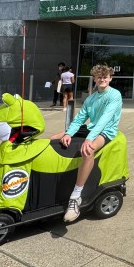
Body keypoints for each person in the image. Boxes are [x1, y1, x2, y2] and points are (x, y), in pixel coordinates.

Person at [50, 63, 122, 223]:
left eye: (105, 76)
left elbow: (105, 120)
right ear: (95, 79)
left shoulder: (115, 95)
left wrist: (90, 138)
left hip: (106, 130)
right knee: (54, 138)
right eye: (99, 77)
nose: (102, 79)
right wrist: (69, 133)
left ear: (110, 78)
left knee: (88, 150)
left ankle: (76, 196)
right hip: (91, 127)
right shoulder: (91, 98)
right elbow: (80, 119)